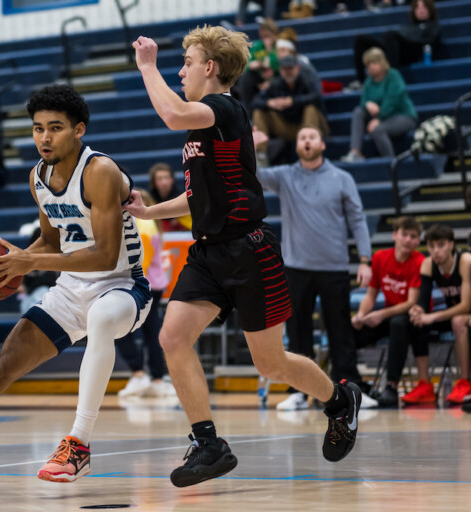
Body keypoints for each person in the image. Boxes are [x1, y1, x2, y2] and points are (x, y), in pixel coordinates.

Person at [127, 25, 361, 488]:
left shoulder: (223, 108)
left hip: (250, 251)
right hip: (210, 253)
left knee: (270, 365)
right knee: (172, 338)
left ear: (209, 68)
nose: (180, 70)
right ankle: (208, 443)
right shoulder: (202, 125)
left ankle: (339, 400)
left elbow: (171, 112)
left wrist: (147, 67)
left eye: (187, 63)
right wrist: (151, 209)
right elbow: (198, 192)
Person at [0, 84, 152, 496]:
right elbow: (52, 239)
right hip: (70, 287)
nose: (45, 137)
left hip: (123, 285)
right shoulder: (38, 175)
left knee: (102, 318)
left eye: (55, 128)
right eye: (38, 129)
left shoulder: (100, 172)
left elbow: (106, 256)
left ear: (79, 130)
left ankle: (78, 444)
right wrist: (12, 262)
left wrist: (30, 262)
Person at [256, 126, 379, 410]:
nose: (307, 141)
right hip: (296, 267)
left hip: (334, 266)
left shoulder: (342, 178)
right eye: (301, 137)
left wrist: (364, 259)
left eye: (311, 137)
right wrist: (256, 149)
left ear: (322, 144)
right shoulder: (285, 175)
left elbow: (357, 220)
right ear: (297, 145)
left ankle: (351, 389)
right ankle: (299, 391)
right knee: (298, 331)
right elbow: (254, 175)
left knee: (340, 331)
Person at [351, 216, 423, 408]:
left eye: (413, 236)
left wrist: (380, 314)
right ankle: (352, 382)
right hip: (389, 313)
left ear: (418, 240)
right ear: (394, 235)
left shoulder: (420, 261)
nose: (408, 239)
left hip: (411, 316)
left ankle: (391, 387)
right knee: (349, 330)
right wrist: (360, 316)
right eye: (404, 234)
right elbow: (370, 296)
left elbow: (411, 302)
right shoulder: (380, 258)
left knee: (398, 324)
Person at [116, 189, 173, 398]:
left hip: (142, 284)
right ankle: (156, 379)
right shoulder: (149, 224)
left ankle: (141, 375)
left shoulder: (142, 224)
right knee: (150, 331)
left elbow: (143, 262)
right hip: (153, 284)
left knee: (121, 329)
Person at [408, 224, 471, 404]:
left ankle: (465, 382)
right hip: (453, 314)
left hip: (465, 313)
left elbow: (466, 305)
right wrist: (418, 310)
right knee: (416, 321)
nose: (436, 251)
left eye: (441, 245)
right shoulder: (428, 264)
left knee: (458, 321)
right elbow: (423, 302)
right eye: (431, 246)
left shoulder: (465, 260)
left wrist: (433, 316)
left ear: (451, 245)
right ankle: (424, 385)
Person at [342, 48, 418, 162]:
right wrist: (367, 104)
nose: (371, 66)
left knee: (378, 130)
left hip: (403, 116)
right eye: (368, 64)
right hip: (382, 117)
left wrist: (380, 118)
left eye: (374, 62)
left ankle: (391, 163)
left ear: (382, 62)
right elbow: (363, 100)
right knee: (359, 111)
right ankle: (355, 151)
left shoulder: (393, 76)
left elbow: (393, 100)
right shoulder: (369, 80)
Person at [252, 55, 328, 167]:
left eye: (290, 68)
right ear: (280, 70)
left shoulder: (307, 79)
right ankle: (261, 155)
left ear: (297, 68)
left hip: (314, 126)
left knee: (310, 109)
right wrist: (270, 103)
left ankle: (311, 148)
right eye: (284, 69)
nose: (288, 72)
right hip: (288, 127)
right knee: (259, 112)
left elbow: (317, 97)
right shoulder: (277, 84)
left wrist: (292, 101)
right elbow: (255, 101)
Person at [349, 0, 441, 89]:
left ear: (430, 9)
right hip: (394, 52)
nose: (420, 10)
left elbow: (428, 43)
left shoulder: (433, 26)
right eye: (417, 7)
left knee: (391, 34)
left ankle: (392, 78)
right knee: (360, 39)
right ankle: (362, 81)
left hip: (412, 53)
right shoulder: (408, 26)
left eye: (424, 7)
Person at [235, 18, 279, 113]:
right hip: (259, 78)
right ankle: (249, 111)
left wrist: (269, 50)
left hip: (277, 77)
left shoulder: (279, 46)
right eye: (264, 36)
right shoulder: (257, 46)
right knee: (246, 77)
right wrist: (253, 65)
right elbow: (247, 65)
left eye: (268, 36)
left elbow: (278, 65)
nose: (266, 39)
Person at [148, 162, 192, 232]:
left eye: (167, 177)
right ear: (153, 182)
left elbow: (190, 226)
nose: (164, 182)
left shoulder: (183, 199)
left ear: (172, 180)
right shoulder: (149, 200)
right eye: (160, 179)